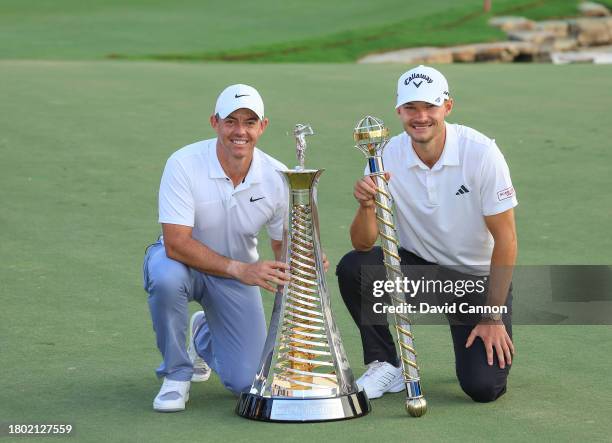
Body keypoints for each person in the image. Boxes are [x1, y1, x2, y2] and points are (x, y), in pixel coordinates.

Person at [336, 65, 518, 403]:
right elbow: (362, 243)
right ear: (399, 112)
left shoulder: (481, 153)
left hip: (475, 281)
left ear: (447, 107)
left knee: (483, 387)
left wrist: (493, 315)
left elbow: (506, 239)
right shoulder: (384, 155)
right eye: (411, 109)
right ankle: (385, 364)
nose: (421, 117)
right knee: (355, 267)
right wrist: (365, 206)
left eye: (429, 107)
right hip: (420, 274)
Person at [142, 84, 291, 412]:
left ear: (263, 126)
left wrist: (301, 261)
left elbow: (282, 244)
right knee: (165, 277)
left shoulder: (278, 176)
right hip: (182, 264)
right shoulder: (183, 163)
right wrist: (242, 269)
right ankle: (176, 374)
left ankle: (202, 335)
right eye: (231, 121)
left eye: (250, 122)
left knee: (246, 382)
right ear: (215, 123)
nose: (240, 131)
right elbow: (177, 243)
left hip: (235, 276)